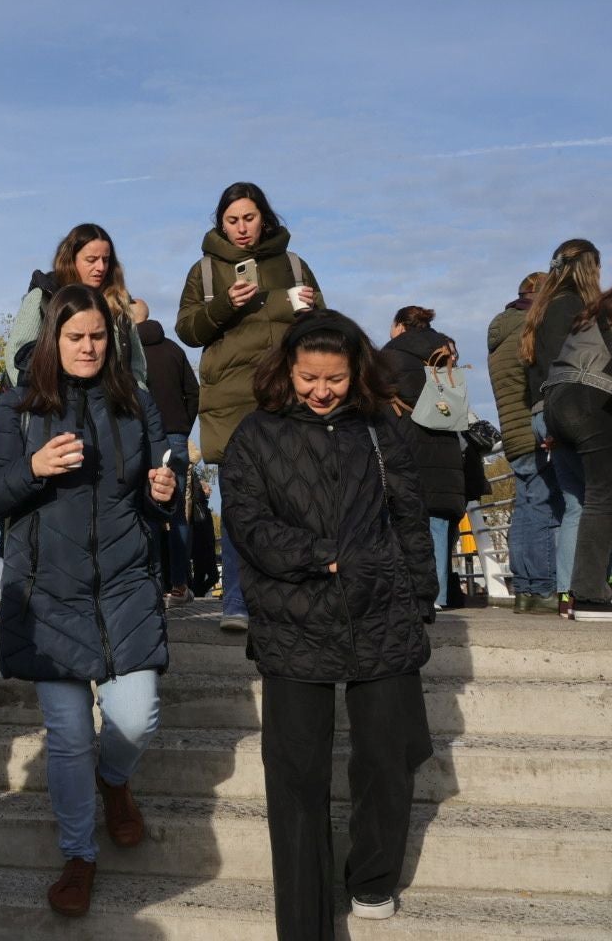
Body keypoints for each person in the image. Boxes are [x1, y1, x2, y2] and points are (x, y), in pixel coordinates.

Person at [219, 310, 437, 936]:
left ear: (355, 373)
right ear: (287, 370)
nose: (321, 390)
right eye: (309, 377)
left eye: (335, 379)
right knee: (295, 779)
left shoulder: (379, 428)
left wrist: (420, 597)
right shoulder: (255, 435)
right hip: (293, 616)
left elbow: (408, 514)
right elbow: (248, 525)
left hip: (381, 610)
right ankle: (305, 920)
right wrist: (322, 556)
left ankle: (372, 878)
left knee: (387, 757)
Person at [0, 284, 175, 917]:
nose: (88, 347)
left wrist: (164, 492)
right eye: (75, 336)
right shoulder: (19, 406)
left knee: (137, 718)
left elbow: (153, 492)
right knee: (66, 736)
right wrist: (33, 468)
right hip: (46, 592)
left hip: (124, 583)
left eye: (98, 337)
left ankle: (116, 781)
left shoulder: (136, 402)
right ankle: (79, 853)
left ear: (112, 342)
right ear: (53, 341)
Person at [175, 184, 323, 630]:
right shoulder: (203, 272)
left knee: (294, 499)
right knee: (240, 501)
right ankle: (237, 602)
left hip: (286, 396)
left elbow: (324, 332)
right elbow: (187, 330)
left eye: (249, 218)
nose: (242, 228)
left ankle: (288, 598)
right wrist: (224, 304)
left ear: (265, 217)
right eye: (232, 220)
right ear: (221, 222)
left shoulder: (295, 264)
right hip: (232, 402)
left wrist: (309, 310)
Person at [522, 240, 612, 615]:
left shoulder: (542, 311)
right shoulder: (573, 307)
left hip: (550, 407)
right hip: (579, 403)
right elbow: (582, 367)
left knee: (578, 504)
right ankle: (585, 589)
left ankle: (572, 594)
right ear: (591, 268)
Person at [539, 284, 612, 622]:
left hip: (559, 399)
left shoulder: (595, 312)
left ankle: (588, 586)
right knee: (603, 500)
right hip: (595, 398)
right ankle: (591, 594)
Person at [382, 307, 469, 610]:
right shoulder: (447, 349)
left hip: (404, 439)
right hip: (444, 441)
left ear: (399, 326)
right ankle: (440, 595)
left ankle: (410, 596)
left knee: (403, 517)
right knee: (438, 519)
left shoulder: (391, 354)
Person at [487, 273, 560, 613]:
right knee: (545, 507)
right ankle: (545, 588)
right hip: (535, 430)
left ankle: (526, 591)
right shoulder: (532, 327)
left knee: (526, 509)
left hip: (512, 434)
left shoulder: (500, 333)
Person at [6, 223, 148, 389]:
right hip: (55, 407)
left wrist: (137, 398)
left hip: (113, 409)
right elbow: (16, 357)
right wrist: (39, 402)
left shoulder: (119, 303)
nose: (100, 267)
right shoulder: (42, 297)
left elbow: (138, 365)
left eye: (106, 260)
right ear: (71, 260)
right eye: (91, 260)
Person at [132, 298, 200, 605]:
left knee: (143, 511)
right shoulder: (174, 350)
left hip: (142, 436)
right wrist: (183, 426)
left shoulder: (130, 353)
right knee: (177, 514)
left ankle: (151, 583)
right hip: (175, 437)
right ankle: (180, 585)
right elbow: (193, 391)